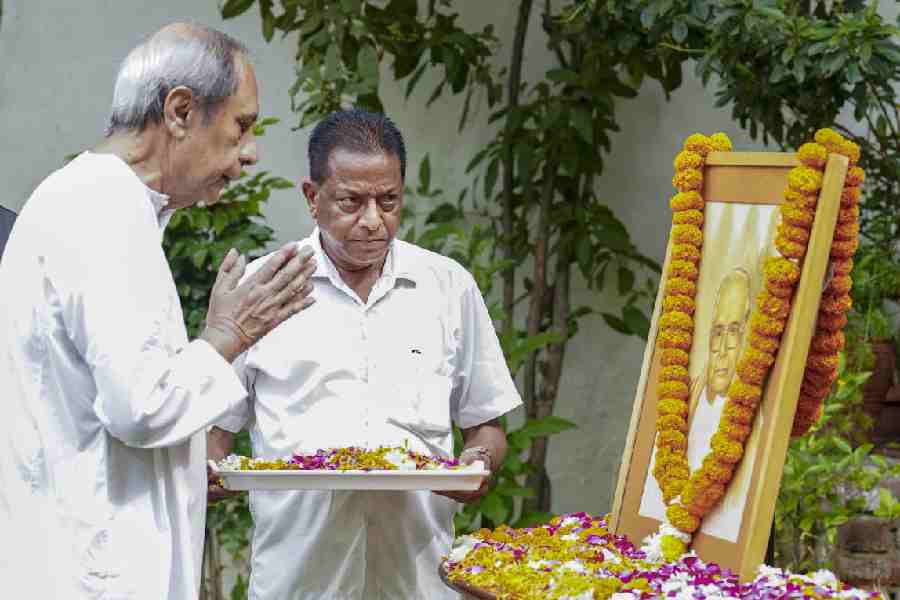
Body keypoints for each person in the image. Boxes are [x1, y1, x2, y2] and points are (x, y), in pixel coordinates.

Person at [0, 23, 317, 599]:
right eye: (242, 126)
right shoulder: (101, 207)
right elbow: (140, 408)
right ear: (179, 111)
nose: (250, 154)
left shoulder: (104, 202)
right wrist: (227, 336)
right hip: (90, 575)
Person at [208, 109, 522, 599]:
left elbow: (486, 422)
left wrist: (477, 461)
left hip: (418, 580)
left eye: (388, 201)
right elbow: (216, 431)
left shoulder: (447, 286)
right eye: (351, 201)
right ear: (313, 198)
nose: (373, 221)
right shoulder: (263, 287)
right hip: (300, 581)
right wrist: (210, 471)